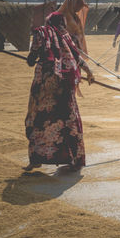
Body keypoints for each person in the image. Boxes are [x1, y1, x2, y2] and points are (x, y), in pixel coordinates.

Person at [23, 12, 95, 172]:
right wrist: (89, 72)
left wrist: (31, 58)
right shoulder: (66, 37)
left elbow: (32, 56)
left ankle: (36, 159)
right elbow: (77, 57)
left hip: (45, 85)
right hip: (65, 85)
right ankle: (74, 158)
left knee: (40, 119)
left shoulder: (42, 33)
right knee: (68, 119)